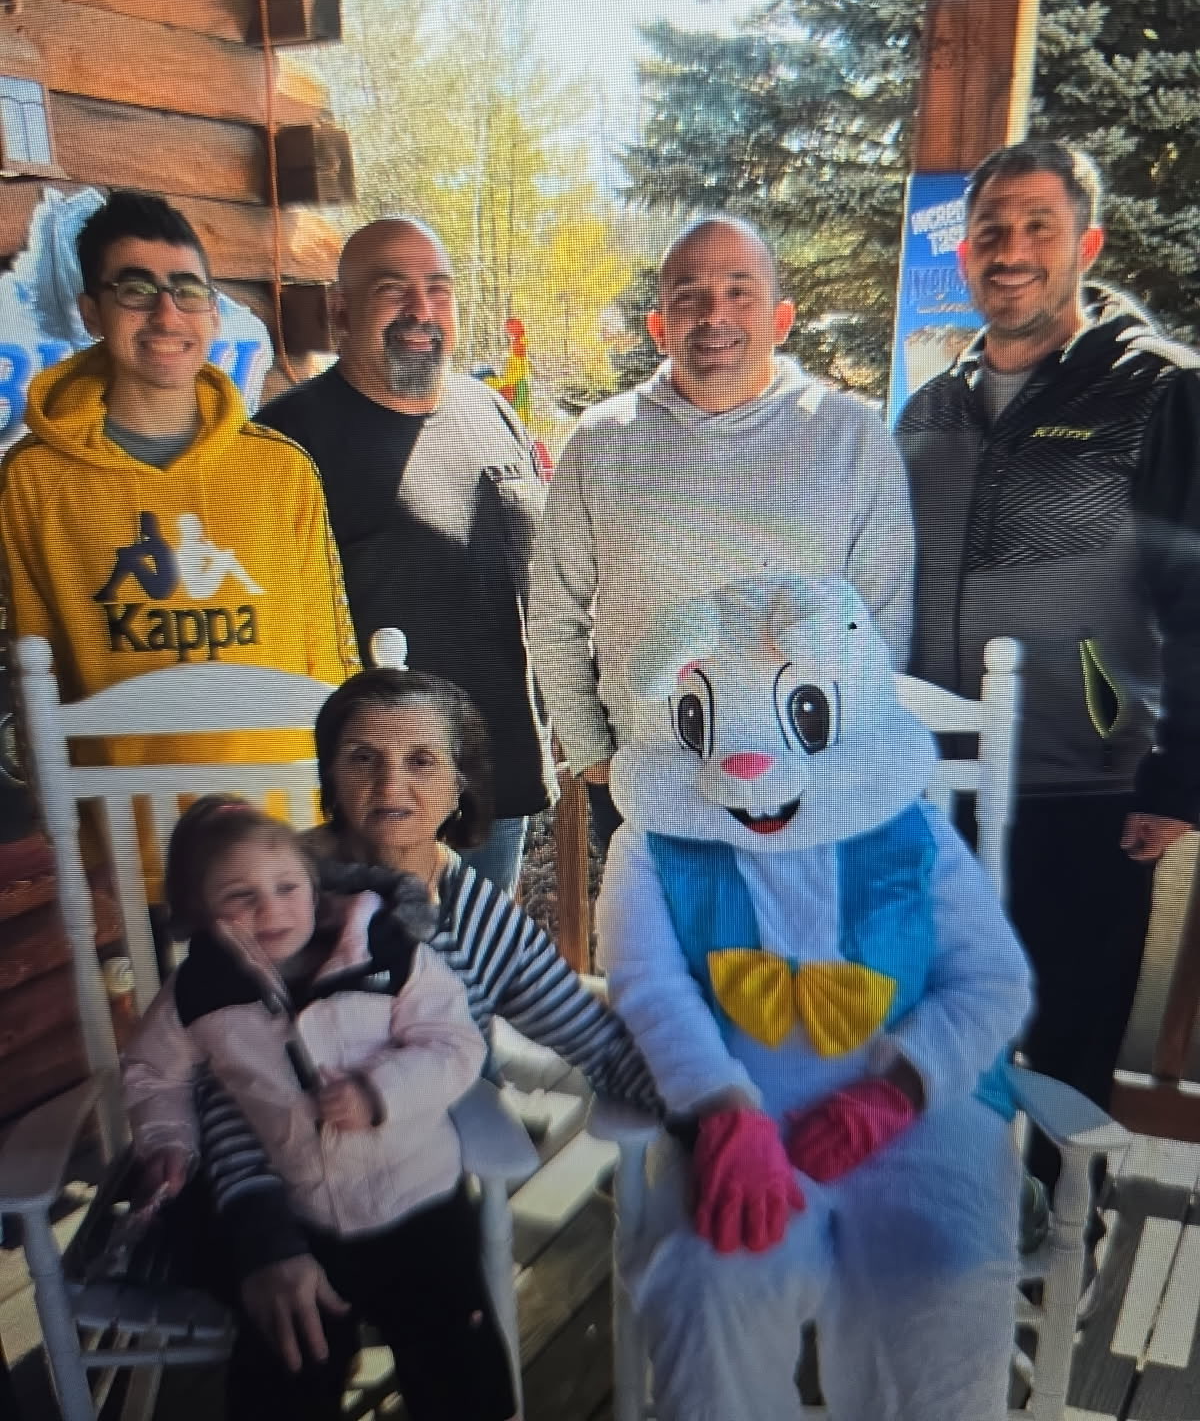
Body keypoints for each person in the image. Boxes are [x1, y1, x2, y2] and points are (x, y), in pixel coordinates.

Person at [597, 574, 1031, 1421]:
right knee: (709, 1286)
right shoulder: (651, 844)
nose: (749, 764)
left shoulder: (910, 829)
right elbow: (647, 984)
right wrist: (722, 1109)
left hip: (918, 1110)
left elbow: (991, 979)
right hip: (735, 1109)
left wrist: (898, 1089)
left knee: (943, 1283)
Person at [895, 139, 1200, 1275]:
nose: (1010, 251)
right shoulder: (931, 404)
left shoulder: (1159, 389)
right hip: (936, 782)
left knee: (1065, 1031)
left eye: (1036, 227)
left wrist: (1182, 775)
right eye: (990, 231)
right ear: (964, 253)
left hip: (1089, 784)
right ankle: (941, 1221)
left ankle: (1053, 1253)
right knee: (941, 1013)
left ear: (1088, 245)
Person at [191, 666, 659, 1365]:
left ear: (458, 783)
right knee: (298, 1350)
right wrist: (265, 1238)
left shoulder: (475, 915)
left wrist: (715, 1112)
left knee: (455, 1351)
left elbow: (591, 1037)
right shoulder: (270, 902)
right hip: (265, 1190)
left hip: (399, 1193)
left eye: (421, 761)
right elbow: (220, 1088)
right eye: (362, 758)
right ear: (330, 774)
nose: (390, 787)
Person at [122, 795, 516, 1421]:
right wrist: (169, 1140)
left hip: (419, 1205)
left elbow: (454, 1043)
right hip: (304, 1219)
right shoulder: (199, 993)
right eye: (239, 896)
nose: (271, 909)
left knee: (457, 1372)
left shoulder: (387, 951)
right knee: (285, 1369)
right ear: (201, 915)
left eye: (286, 886)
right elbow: (153, 1075)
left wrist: (379, 1092)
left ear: (314, 882)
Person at [529, 214, 915, 850]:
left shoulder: (852, 439)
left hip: (808, 782)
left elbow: (883, 613)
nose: (715, 315)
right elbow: (552, 610)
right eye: (689, 295)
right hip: (653, 783)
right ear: (658, 325)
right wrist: (591, 745)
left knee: (807, 953)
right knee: (654, 946)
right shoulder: (598, 444)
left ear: (782, 319)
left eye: (740, 292)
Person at [0, 190, 357, 775]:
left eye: (188, 291)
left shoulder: (280, 470)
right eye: (136, 290)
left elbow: (332, 650)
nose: (167, 315)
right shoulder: (36, 482)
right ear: (92, 311)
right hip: (129, 830)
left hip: (286, 828)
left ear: (213, 313)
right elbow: (37, 676)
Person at [257, 218, 555, 898]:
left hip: (490, 783)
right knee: (377, 992)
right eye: (394, 289)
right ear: (340, 309)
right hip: (374, 800)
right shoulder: (285, 443)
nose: (422, 311)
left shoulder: (490, 412)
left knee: (474, 983)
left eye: (439, 290)